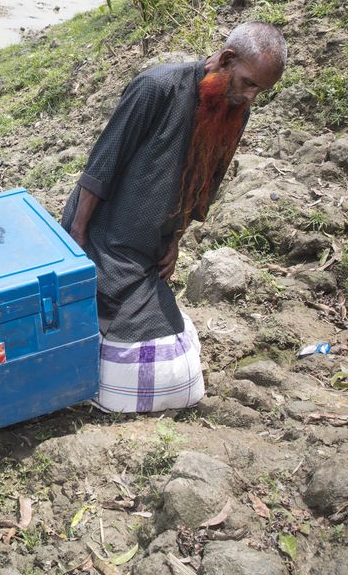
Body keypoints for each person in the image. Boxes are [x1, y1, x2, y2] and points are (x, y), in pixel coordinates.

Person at [61, 21, 286, 413]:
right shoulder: (157, 87)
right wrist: (76, 239)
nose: (250, 96)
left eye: (259, 91)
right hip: (103, 239)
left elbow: (207, 178)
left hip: (149, 248)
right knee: (135, 340)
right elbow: (102, 166)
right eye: (248, 83)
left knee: (170, 349)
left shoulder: (235, 110)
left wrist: (176, 240)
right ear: (226, 59)